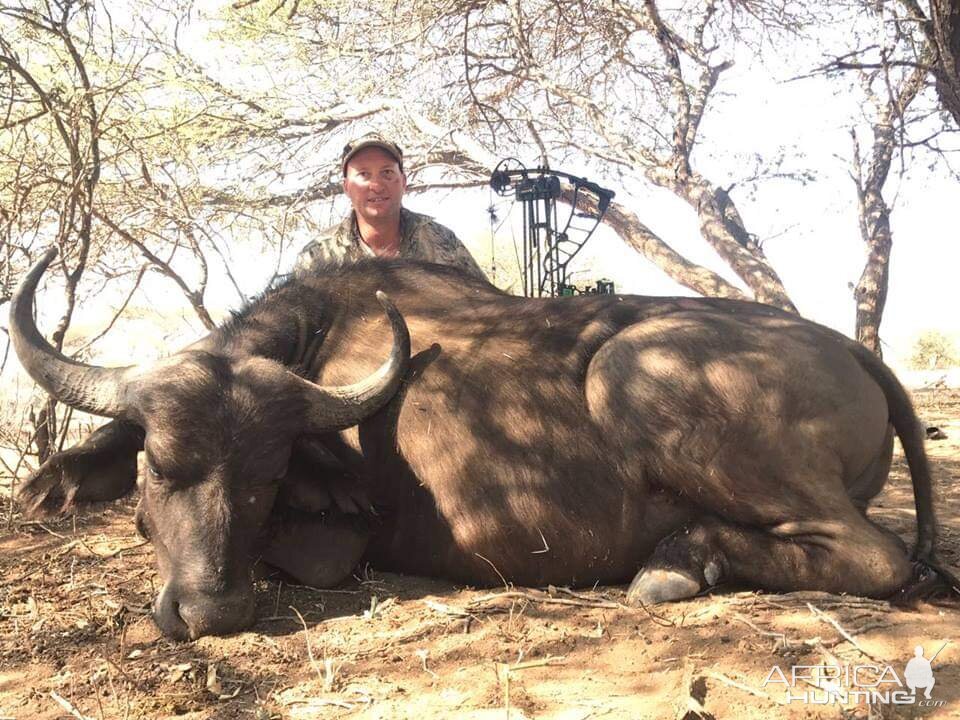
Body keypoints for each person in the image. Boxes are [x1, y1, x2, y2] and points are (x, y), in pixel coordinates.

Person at [296, 134, 487, 281]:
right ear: (346, 187)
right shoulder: (317, 257)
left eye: (387, 172)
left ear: (403, 182)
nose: (377, 186)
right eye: (363, 174)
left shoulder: (442, 242)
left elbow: (488, 311)